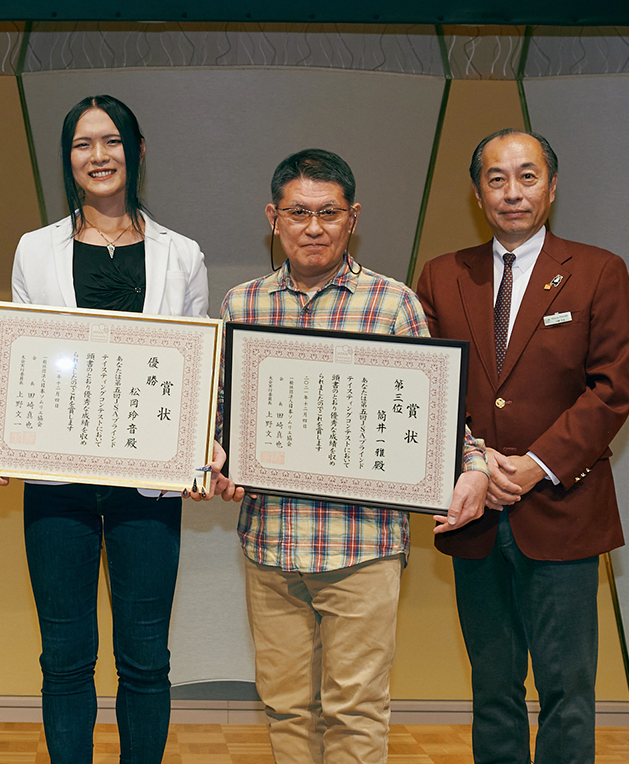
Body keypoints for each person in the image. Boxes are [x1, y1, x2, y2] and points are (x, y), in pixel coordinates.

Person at [0, 94, 221, 763]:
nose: (97, 156)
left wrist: (200, 447)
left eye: (111, 142)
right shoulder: (35, 250)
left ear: (134, 151)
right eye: (82, 144)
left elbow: (197, 371)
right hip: (56, 486)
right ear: (67, 158)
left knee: (145, 658)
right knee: (65, 658)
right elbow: (22, 362)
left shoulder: (182, 254)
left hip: (149, 490)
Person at [216, 148, 489, 763]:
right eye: (298, 212)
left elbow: (438, 418)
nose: (314, 227)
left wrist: (471, 467)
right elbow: (223, 412)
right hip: (271, 543)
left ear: (353, 217)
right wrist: (216, 453)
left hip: (361, 545)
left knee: (356, 710)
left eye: (328, 212)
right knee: (285, 708)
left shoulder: (393, 306)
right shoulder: (243, 305)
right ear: (274, 217)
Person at [415, 129, 629, 764]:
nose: (512, 192)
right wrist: (479, 463)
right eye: (496, 178)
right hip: (474, 511)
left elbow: (612, 389)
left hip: (564, 512)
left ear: (552, 185)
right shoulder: (442, 274)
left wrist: (537, 466)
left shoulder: (599, 270)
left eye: (527, 176)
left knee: (569, 688)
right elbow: (431, 389)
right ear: (477, 191)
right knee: (492, 688)